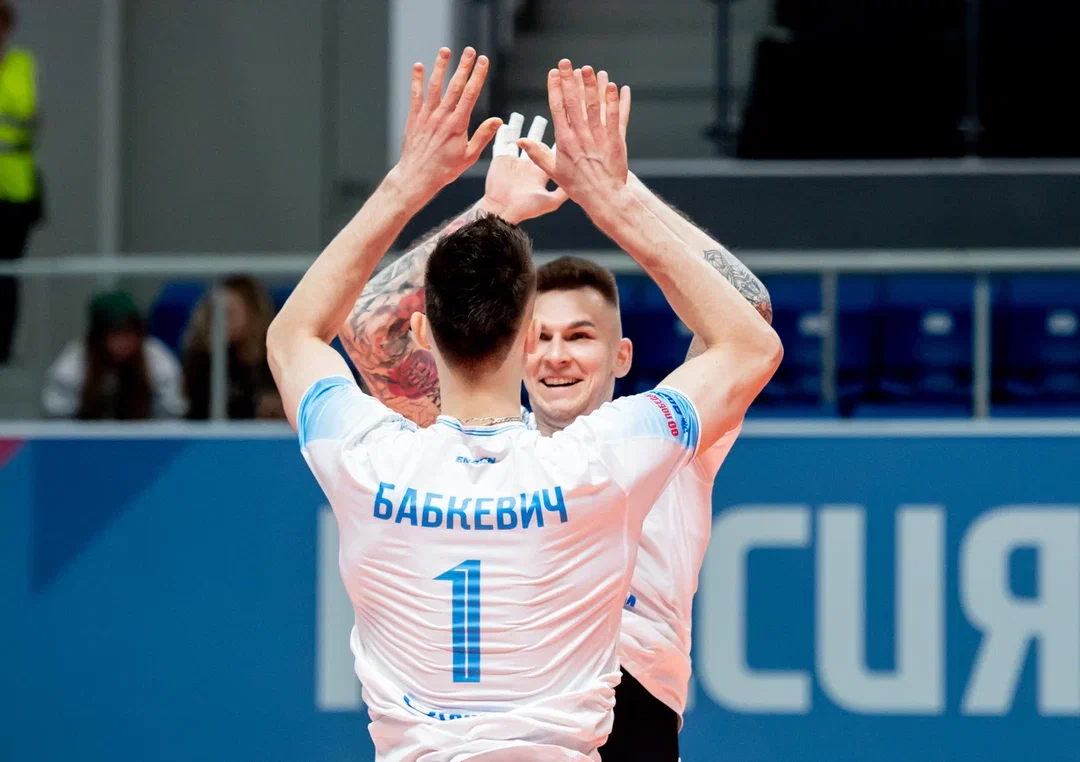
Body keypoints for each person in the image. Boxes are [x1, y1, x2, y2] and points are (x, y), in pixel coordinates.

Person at [267, 48, 781, 762]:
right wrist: (607, 200)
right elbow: (749, 339)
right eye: (544, 334)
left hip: (626, 714)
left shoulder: (385, 459)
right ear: (521, 342)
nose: (558, 353)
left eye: (582, 335)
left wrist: (419, 185)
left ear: (624, 356)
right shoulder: (606, 460)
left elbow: (307, 335)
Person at [42, 290, 187, 420]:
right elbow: (58, 419)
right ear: (98, 337)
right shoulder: (72, 365)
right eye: (116, 333)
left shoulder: (157, 360)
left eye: (131, 332)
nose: (125, 341)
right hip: (86, 440)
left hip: (146, 439)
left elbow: (173, 414)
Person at [0, 0, 43, 364]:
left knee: (9, 272)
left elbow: (25, 111)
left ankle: (3, 350)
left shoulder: (21, 64)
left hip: (15, 186)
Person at [182, 275, 283, 420]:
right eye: (213, 312)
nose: (219, 320)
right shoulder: (201, 358)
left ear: (252, 314)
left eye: (228, 313)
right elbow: (197, 411)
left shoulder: (273, 357)